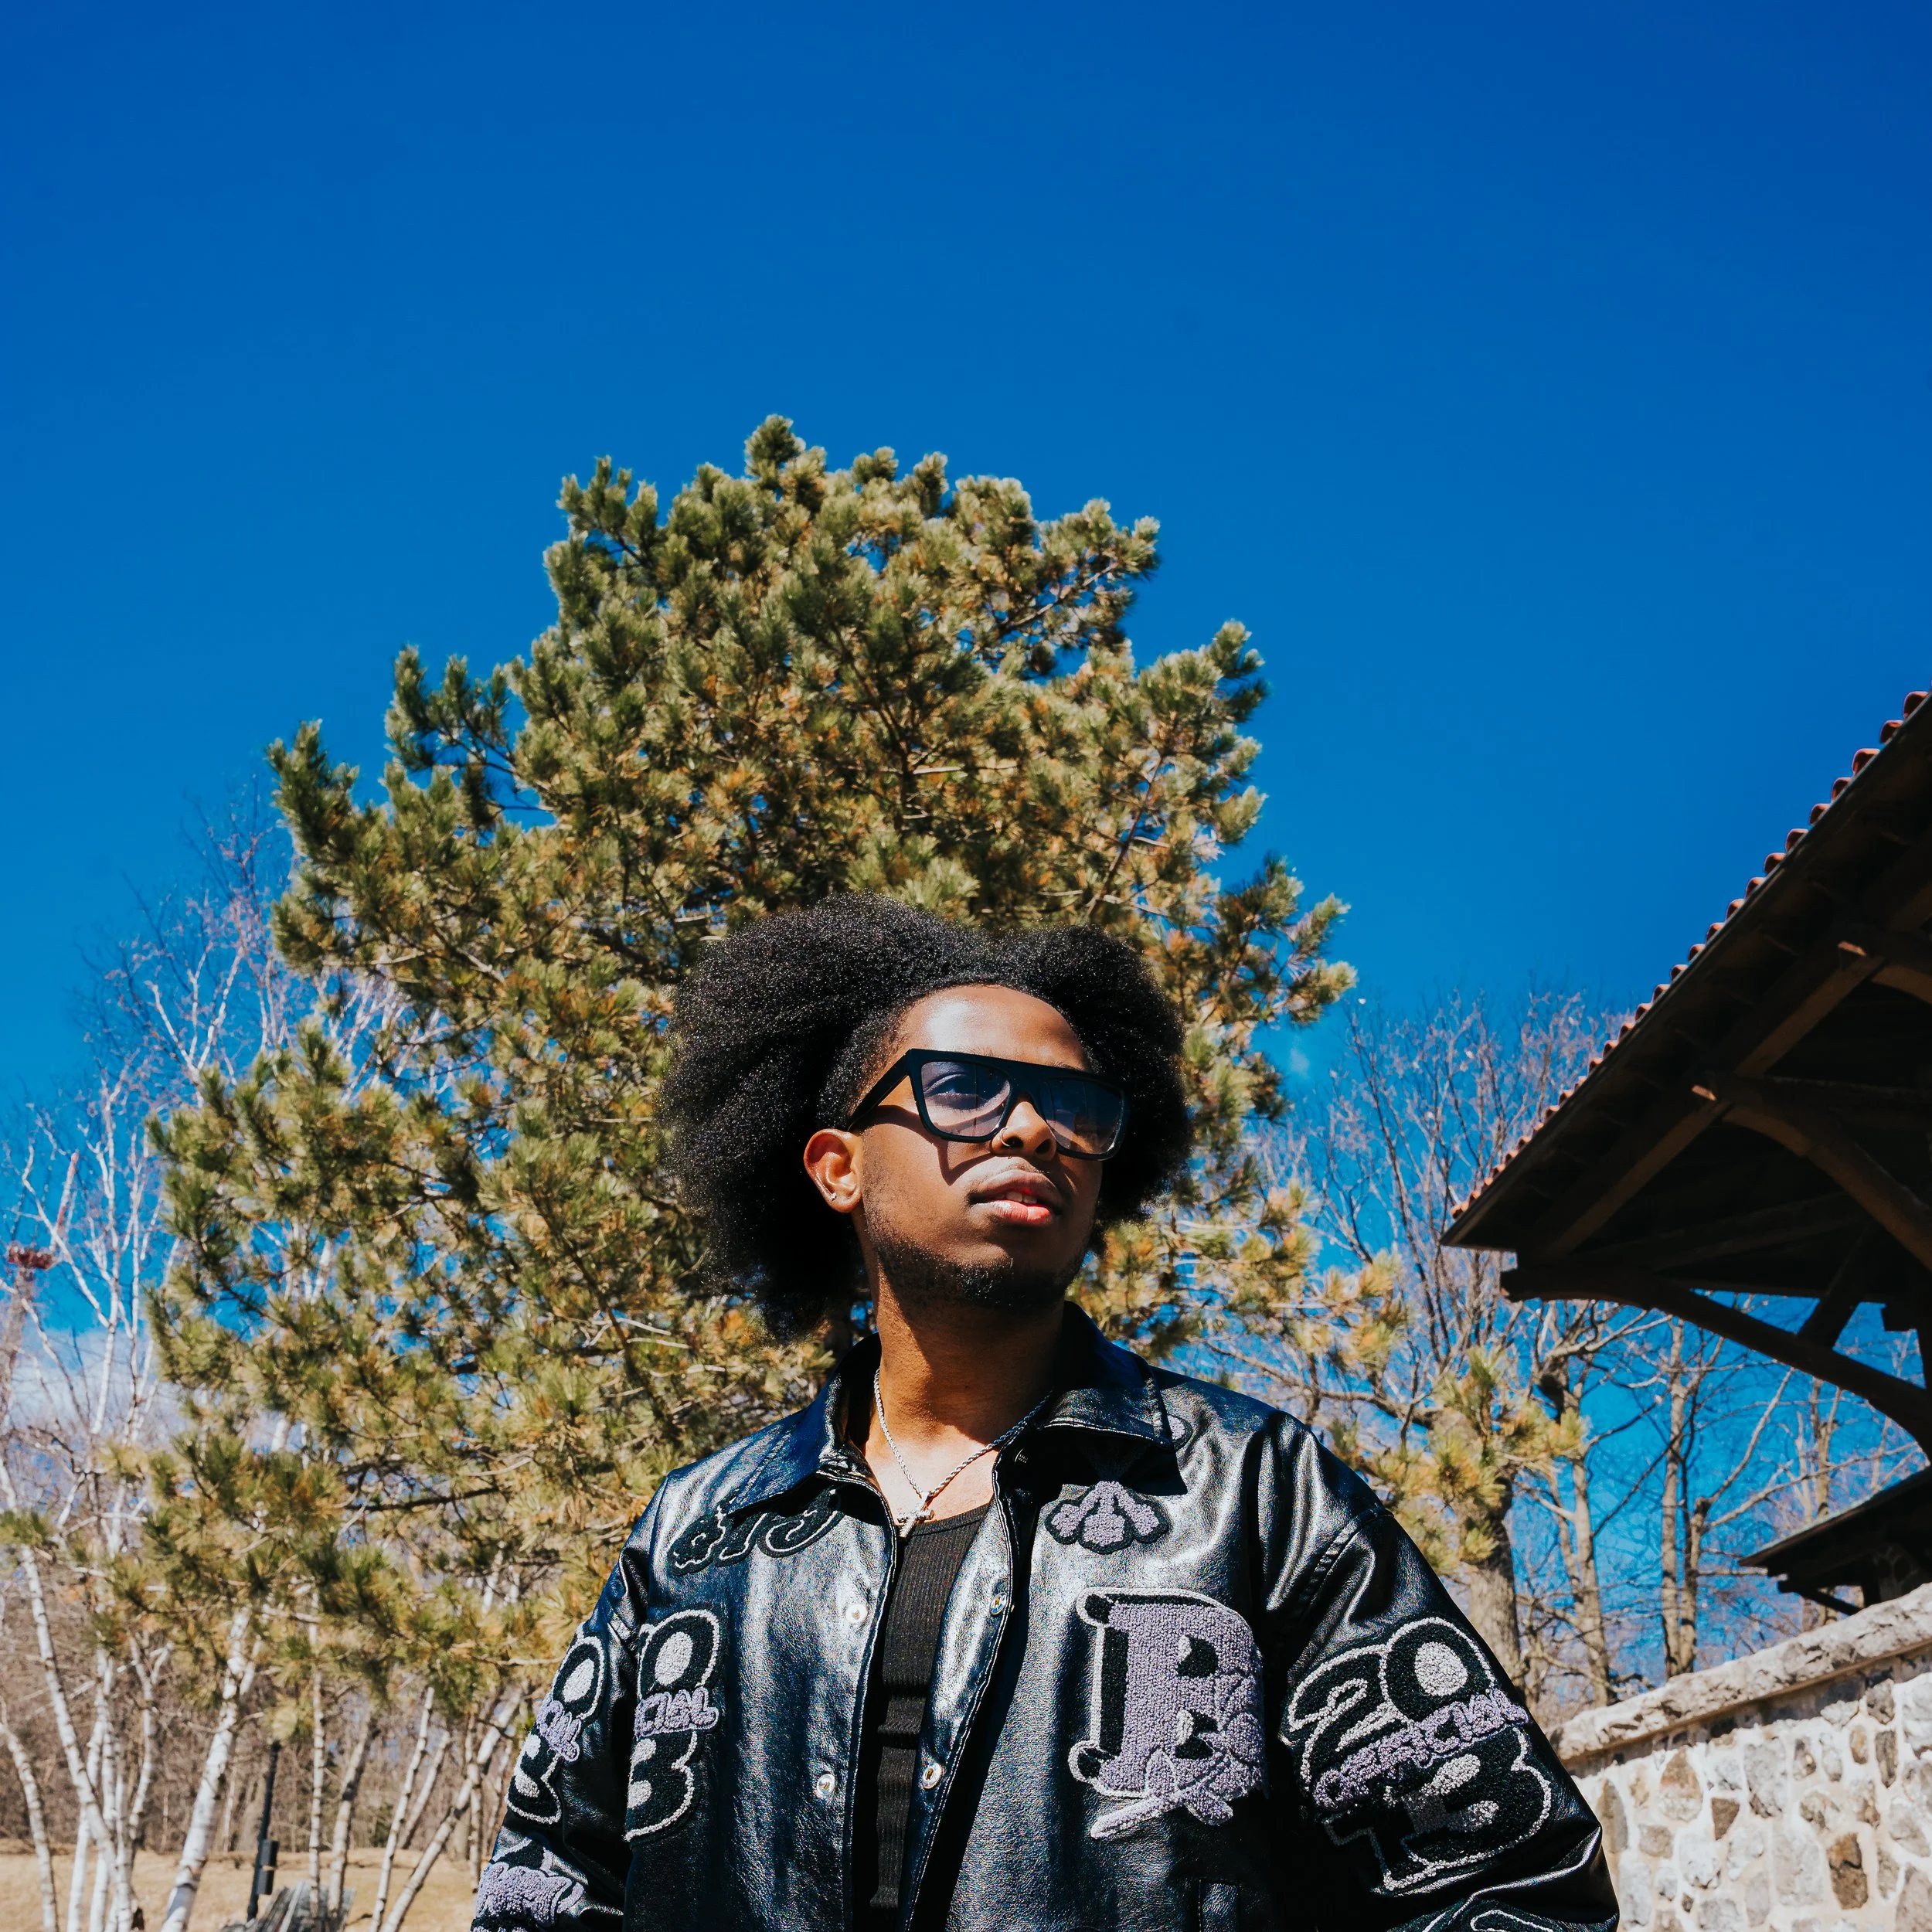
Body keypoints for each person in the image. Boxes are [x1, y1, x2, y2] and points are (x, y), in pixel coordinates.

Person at [472, 897, 1616, 1932]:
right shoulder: (698, 1530)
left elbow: (1509, 1886)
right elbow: (548, 1883)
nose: (1032, 1131)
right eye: (963, 1089)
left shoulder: (1252, 1491)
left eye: (1074, 1108)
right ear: (836, 1167)